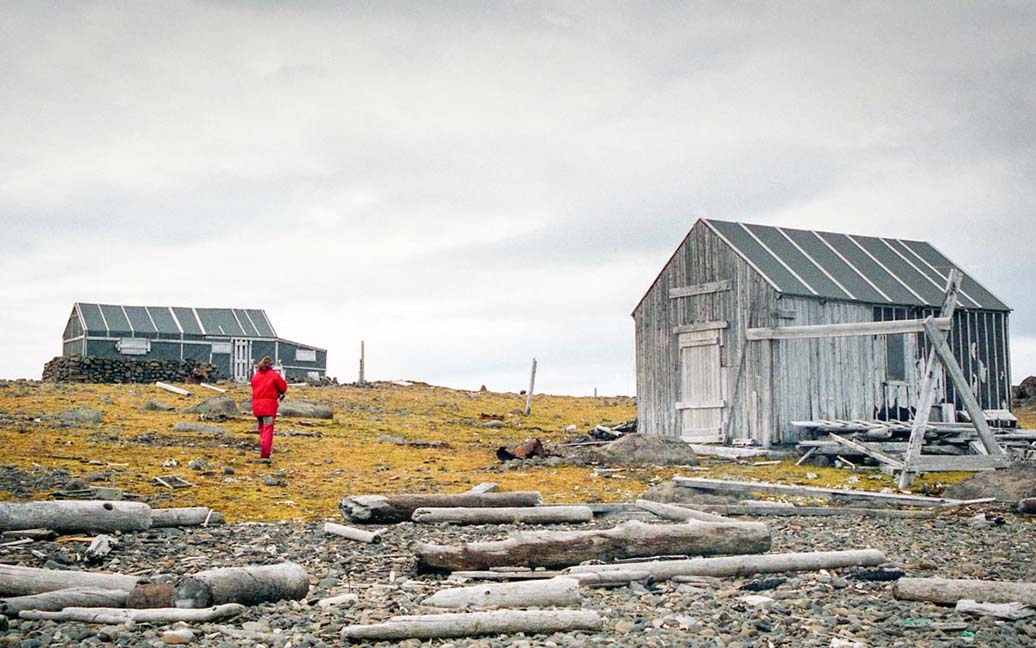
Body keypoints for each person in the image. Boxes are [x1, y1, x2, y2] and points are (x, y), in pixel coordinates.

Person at [250, 356, 287, 460]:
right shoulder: (274, 376)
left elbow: (253, 386)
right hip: (269, 407)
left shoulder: (256, 376)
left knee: (262, 429)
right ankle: (265, 454)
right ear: (271, 365)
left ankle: (263, 448)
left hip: (257, 407)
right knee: (268, 430)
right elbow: (283, 387)